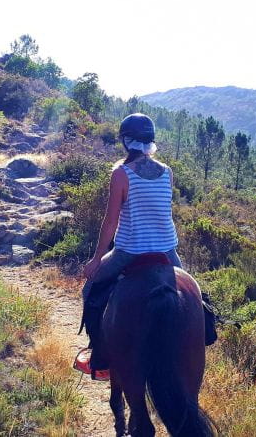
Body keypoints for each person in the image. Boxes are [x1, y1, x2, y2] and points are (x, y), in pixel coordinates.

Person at [76, 113, 202, 381]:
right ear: (150, 141)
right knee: (196, 299)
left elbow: (111, 221)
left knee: (91, 290)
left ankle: (97, 357)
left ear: (126, 140)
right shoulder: (167, 172)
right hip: (166, 250)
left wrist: (96, 259)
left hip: (130, 251)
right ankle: (199, 342)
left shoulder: (121, 173)